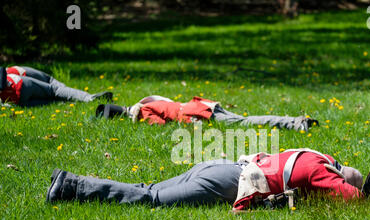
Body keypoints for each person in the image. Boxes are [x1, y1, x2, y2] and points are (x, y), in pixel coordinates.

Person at [46, 148, 369, 212]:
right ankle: (73, 186)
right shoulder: (320, 172)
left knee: (149, 189)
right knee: (153, 201)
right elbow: (351, 197)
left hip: (218, 166)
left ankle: (73, 184)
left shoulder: (315, 155)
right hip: (225, 182)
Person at [95, 95, 319, 132]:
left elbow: (161, 126)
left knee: (246, 123)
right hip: (202, 108)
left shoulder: (143, 111)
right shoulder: (147, 101)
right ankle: (295, 122)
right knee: (245, 122)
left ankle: (296, 123)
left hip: (201, 114)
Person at [0, 66, 113, 106]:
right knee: (54, 88)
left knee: (52, 101)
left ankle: (72, 102)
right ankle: (88, 98)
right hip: (17, 83)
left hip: (15, 101)